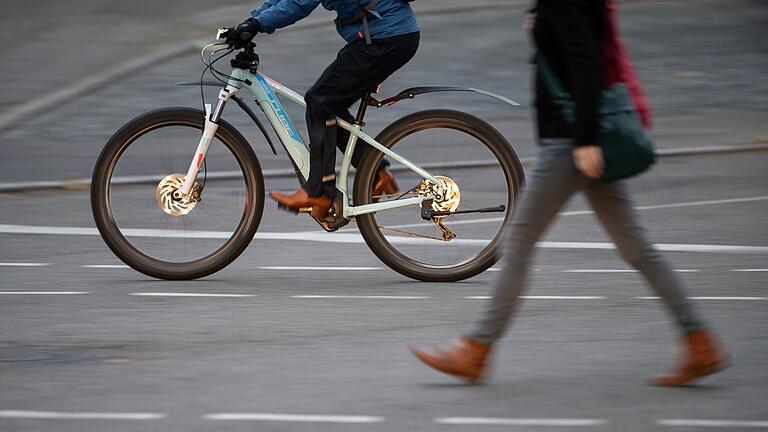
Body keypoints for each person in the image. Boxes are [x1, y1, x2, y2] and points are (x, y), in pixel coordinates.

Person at [410, 0, 729, 386]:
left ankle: (476, 349)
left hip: (570, 144)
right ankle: (700, 341)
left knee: (519, 241)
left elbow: (585, 63)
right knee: (637, 249)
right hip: (578, 139)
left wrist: (587, 139)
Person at [226, 0, 420, 219]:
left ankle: (318, 192)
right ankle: (375, 172)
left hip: (385, 37)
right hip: (386, 35)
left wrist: (257, 23)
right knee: (329, 104)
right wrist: (251, 21)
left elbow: (298, 3)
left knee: (320, 102)